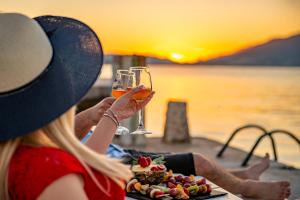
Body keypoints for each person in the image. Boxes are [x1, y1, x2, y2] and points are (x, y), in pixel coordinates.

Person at [0, 13, 154, 200]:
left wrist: (107, 117)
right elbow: (78, 174)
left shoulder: (14, 158)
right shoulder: (46, 170)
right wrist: (112, 116)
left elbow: (80, 169)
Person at [76, 97, 292, 200]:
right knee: (197, 162)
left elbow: (65, 133)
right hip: (114, 164)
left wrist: (91, 114)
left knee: (183, 170)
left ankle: (240, 175)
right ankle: (246, 188)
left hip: (120, 153)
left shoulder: (49, 112)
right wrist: (111, 117)